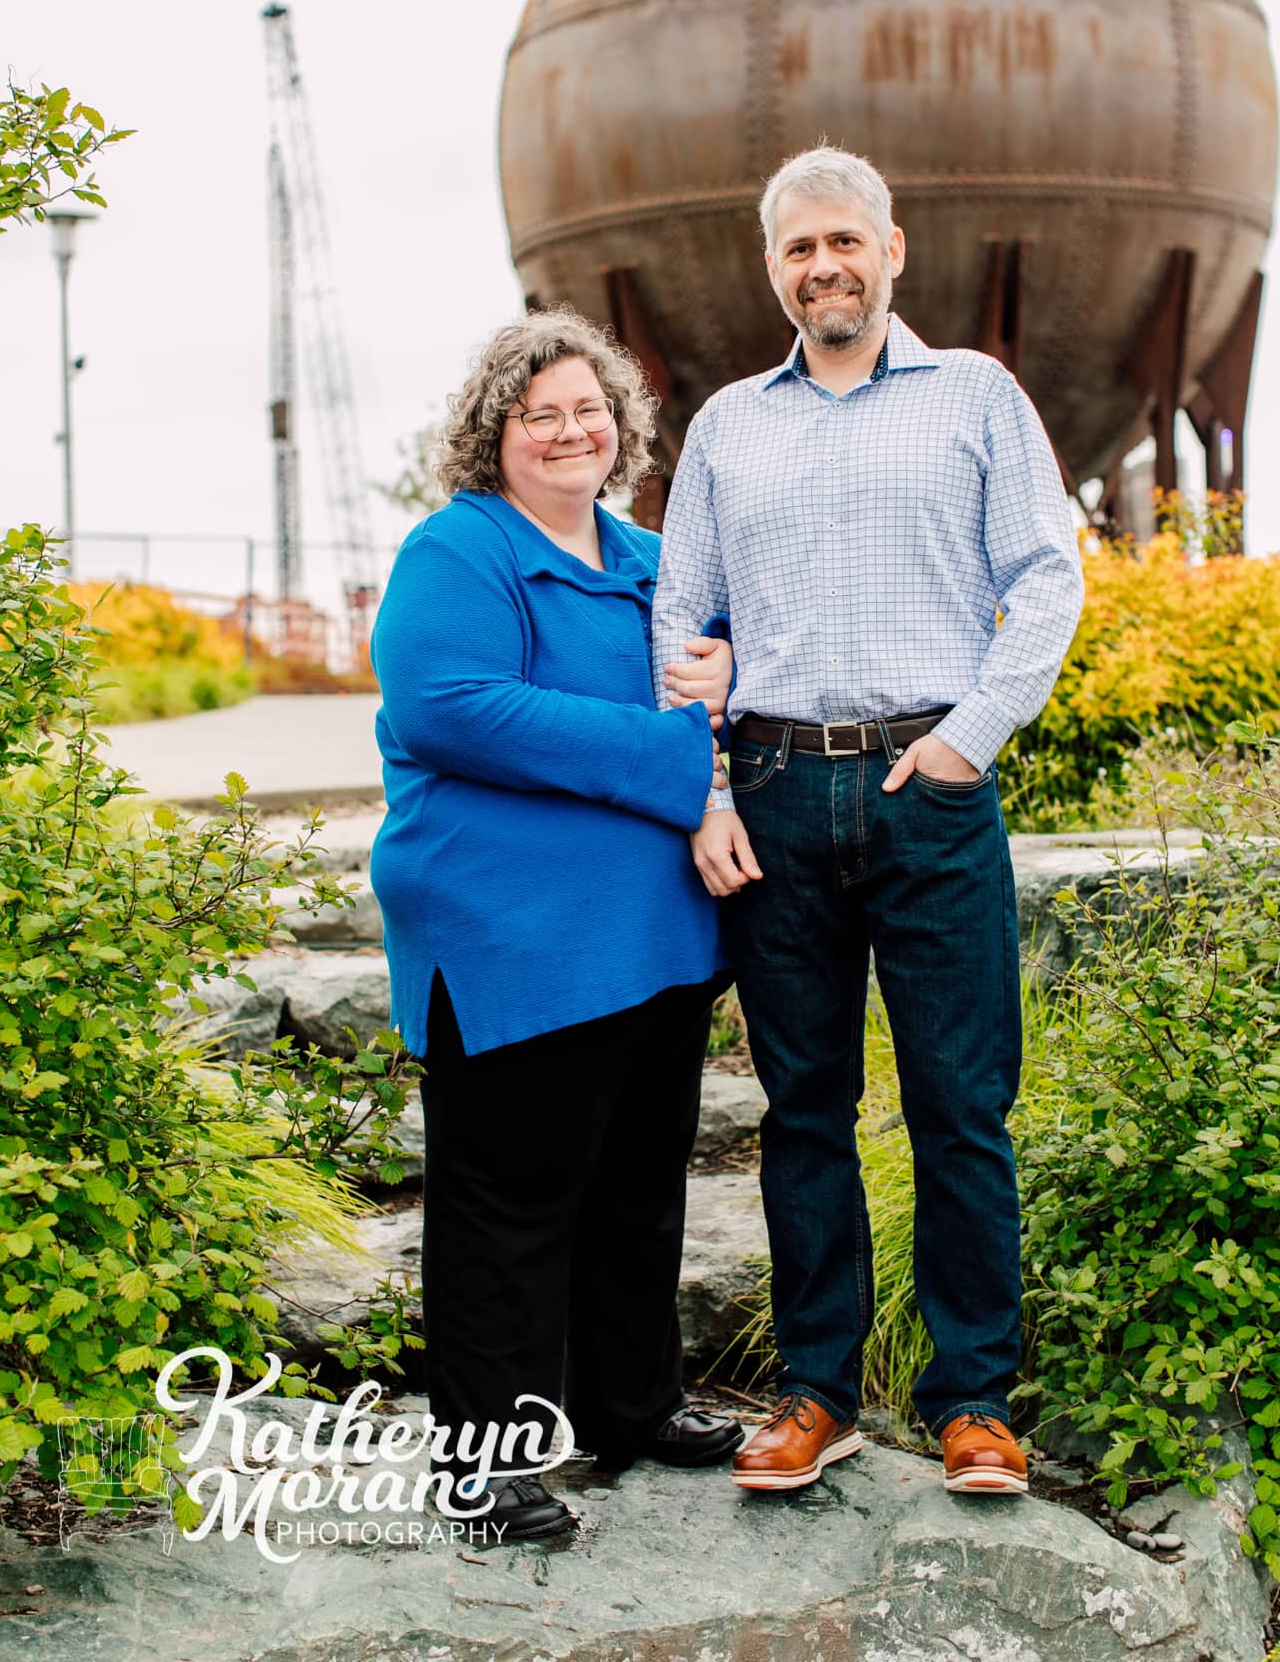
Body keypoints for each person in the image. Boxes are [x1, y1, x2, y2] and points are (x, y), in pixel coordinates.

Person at [652, 144, 1085, 1499]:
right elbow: (681, 624)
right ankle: (817, 1392)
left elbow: (1049, 574)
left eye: (845, 242)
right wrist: (710, 792)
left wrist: (968, 741)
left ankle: (973, 1402)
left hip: (927, 793)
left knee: (962, 1107)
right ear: (771, 268)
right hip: (777, 798)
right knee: (804, 1110)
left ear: (892, 250)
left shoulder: (977, 399)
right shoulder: (730, 426)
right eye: (797, 249)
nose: (823, 267)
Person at [368, 310, 743, 1543]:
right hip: (514, 941)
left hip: (657, 939)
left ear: (622, 426)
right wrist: (677, 755)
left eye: (592, 410)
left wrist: (717, 735)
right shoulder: (458, 551)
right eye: (543, 414)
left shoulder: (647, 557)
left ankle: (631, 1406)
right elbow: (453, 707)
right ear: (497, 434)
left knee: (638, 1189)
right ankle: (487, 1466)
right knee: (509, 1206)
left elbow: (721, 683)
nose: (573, 430)